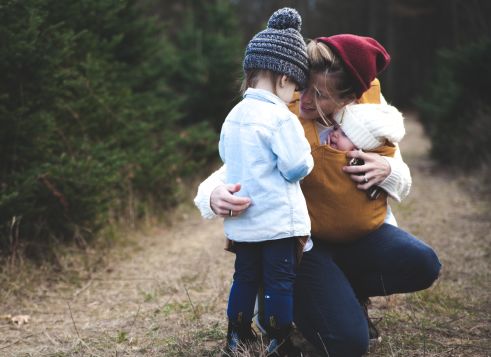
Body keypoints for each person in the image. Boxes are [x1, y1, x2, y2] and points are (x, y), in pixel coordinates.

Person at [195, 33, 441, 357]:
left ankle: (342, 290)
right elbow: (238, 165)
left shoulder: (370, 116)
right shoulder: (282, 111)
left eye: (320, 95)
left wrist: (388, 170)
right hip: (302, 247)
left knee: (423, 263)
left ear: (349, 98)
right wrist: (211, 194)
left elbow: (403, 180)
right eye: (304, 86)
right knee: (349, 344)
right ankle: (286, 291)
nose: (305, 99)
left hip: (359, 238)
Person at [217, 8, 313, 355]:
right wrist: (307, 155)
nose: (296, 96)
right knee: (278, 282)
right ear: (285, 79)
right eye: (297, 87)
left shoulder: (234, 115)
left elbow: (227, 158)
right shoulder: (279, 117)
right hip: (277, 222)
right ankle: (279, 339)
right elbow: (295, 167)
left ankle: (236, 334)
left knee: (244, 277)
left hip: (243, 223)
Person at [309, 103, 406, 242]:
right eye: (336, 128)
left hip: (369, 229)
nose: (334, 134)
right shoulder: (320, 142)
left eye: (344, 134)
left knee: (424, 258)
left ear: (361, 147)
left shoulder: (375, 148)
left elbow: (404, 183)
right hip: (319, 231)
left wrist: (390, 170)